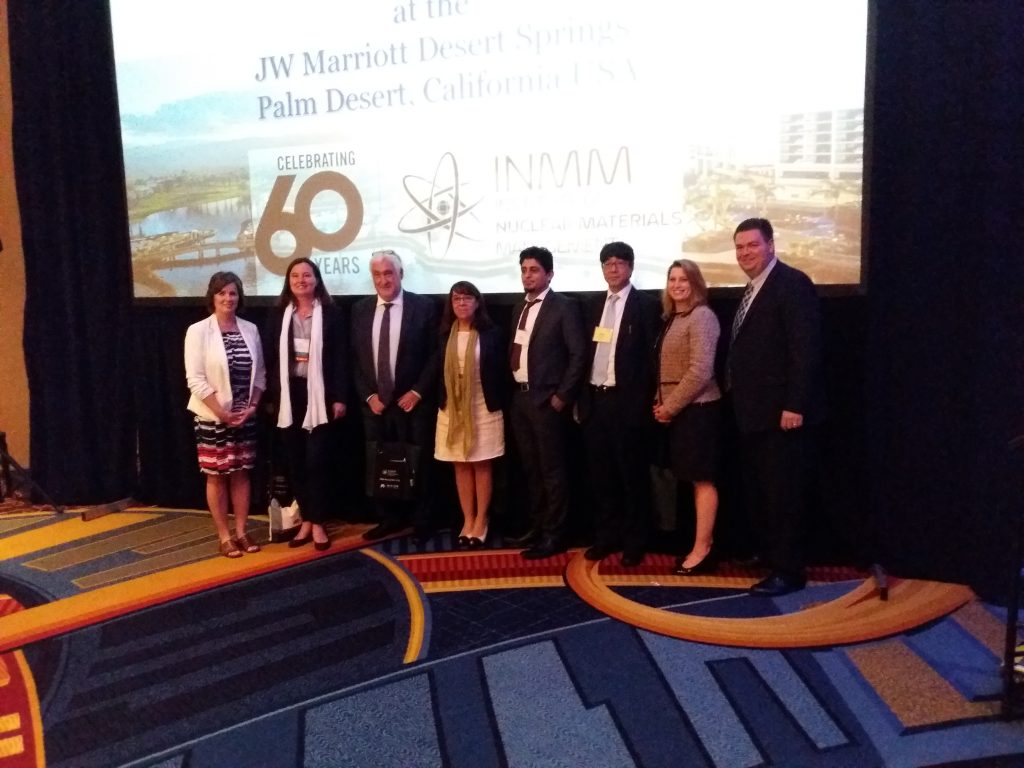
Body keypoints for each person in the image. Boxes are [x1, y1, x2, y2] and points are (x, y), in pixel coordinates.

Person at [727, 217, 824, 596]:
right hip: (753, 414)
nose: (745, 253)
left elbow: (806, 349)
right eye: (739, 247)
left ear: (770, 245)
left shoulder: (792, 284)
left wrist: (795, 404)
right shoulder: (752, 288)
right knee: (763, 493)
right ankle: (771, 555)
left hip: (782, 415)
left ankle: (789, 571)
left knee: (784, 496)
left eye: (752, 245)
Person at [577, 242, 661, 567]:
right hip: (595, 402)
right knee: (601, 476)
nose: (613, 269)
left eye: (619, 263)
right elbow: (583, 355)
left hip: (628, 404)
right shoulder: (591, 305)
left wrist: (645, 402)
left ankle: (635, 540)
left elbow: (652, 361)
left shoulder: (647, 306)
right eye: (607, 263)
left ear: (631, 267)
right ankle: (607, 535)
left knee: (632, 476)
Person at [352, 249, 439, 541]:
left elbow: (435, 355)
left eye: (388, 273)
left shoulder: (424, 307)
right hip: (376, 405)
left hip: (413, 403)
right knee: (380, 463)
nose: (383, 280)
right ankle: (389, 519)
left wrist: (417, 391)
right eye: (377, 274)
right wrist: (368, 396)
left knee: (419, 464)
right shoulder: (360, 309)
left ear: (400, 274)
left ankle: (422, 522)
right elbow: (354, 359)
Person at [506, 246, 587, 559]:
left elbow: (578, 353)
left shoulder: (564, 307)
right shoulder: (519, 307)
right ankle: (538, 526)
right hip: (520, 399)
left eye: (534, 270)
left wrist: (562, 396)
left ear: (549, 274)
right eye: (524, 270)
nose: (527, 276)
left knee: (553, 471)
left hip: (547, 401)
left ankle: (556, 534)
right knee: (531, 469)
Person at [265, 257, 348, 551]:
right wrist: (272, 397)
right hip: (290, 396)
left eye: (307, 275)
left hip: (320, 396)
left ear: (317, 280)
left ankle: (319, 522)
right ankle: (307, 522)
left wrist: (339, 397)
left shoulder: (332, 313)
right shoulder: (278, 315)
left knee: (317, 462)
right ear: (289, 282)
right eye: (295, 276)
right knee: (296, 462)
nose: (301, 280)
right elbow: (270, 359)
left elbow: (341, 358)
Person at [184, 271, 266, 558]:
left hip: (244, 417)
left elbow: (260, 375)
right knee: (216, 476)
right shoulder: (198, 331)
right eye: (222, 293)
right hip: (213, 417)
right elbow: (195, 379)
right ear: (213, 296)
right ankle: (224, 536)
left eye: (233, 293)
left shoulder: (250, 329)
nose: (228, 298)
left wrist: (252, 407)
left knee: (241, 474)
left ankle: (241, 532)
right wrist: (222, 412)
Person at [652, 260, 722, 575]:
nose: (677, 285)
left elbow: (700, 371)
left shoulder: (702, 316)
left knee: (702, 480)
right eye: (672, 279)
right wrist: (661, 402)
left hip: (700, 411)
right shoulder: (674, 318)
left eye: (684, 279)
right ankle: (697, 544)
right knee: (691, 480)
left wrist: (670, 406)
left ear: (696, 284)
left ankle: (702, 549)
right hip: (681, 411)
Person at [435, 281, 505, 548]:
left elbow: (500, 370)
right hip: (452, 410)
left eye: (467, 298)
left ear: (477, 302)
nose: (461, 303)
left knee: (481, 463)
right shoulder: (444, 334)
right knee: (460, 463)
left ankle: (481, 520)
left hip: (482, 405)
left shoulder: (492, 333)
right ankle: (467, 519)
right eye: (456, 299)